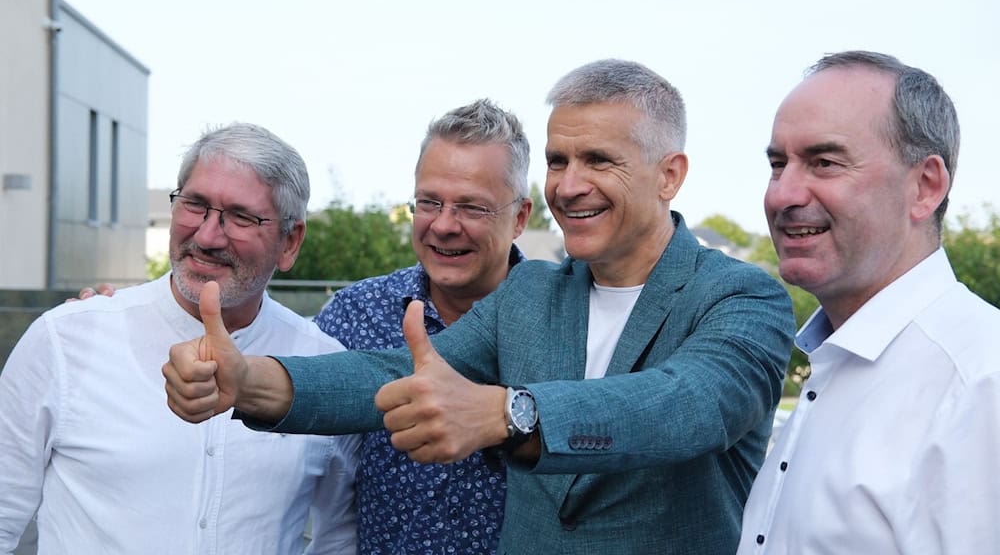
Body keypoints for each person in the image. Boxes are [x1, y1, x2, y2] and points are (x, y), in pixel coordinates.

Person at [165, 60, 796, 554]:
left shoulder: (745, 297)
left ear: (669, 175)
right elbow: (391, 377)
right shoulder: (532, 294)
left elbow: (686, 403)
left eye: (598, 160)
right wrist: (247, 381)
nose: (568, 186)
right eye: (558, 161)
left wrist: (508, 412)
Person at [0, 123, 359, 554]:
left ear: (290, 241)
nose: (207, 236)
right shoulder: (66, 340)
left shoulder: (323, 366)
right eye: (195, 204)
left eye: (241, 216)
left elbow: (339, 536)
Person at [738, 50, 1000, 553]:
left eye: (825, 162)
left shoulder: (978, 386)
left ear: (925, 187)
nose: (782, 195)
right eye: (778, 164)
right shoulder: (835, 361)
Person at [313, 99, 531, 554]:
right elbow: (283, 371)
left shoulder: (566, 322)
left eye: (472, 207)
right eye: (429, 202)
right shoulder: (356, 314)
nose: (445, 225)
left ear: (521, 217)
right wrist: (126, 313)